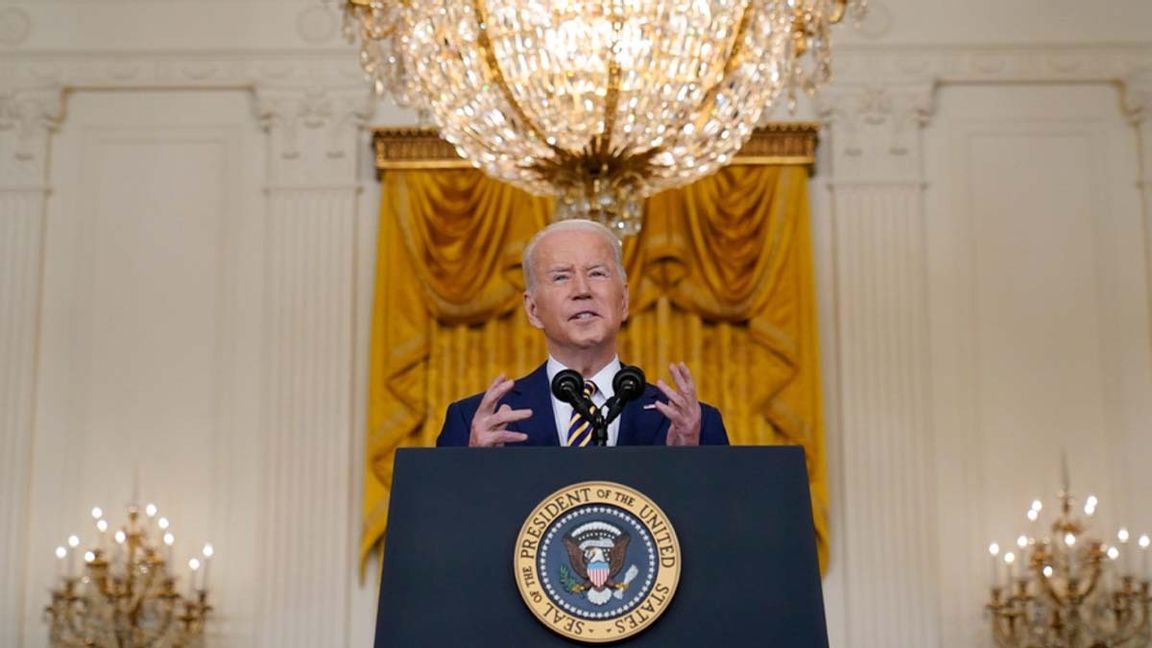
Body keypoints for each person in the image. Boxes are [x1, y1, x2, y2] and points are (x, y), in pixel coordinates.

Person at [435, 219, 729, 447]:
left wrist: (691, 461)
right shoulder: (476, 422)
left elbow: (726, 521)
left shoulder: (692, 423)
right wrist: (472, 467)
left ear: (624, 301)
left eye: (597, 273)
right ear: (533, 310)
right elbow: (442, 520)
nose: (582, 290)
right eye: (561, 276)